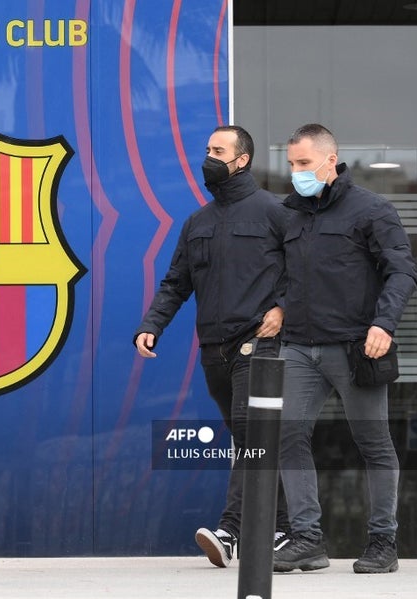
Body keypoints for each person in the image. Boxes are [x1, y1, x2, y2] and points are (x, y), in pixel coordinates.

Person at [134, 125, 290, 568]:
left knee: (250, 436)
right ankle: (283, 527)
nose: (209, 157)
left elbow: (304, 270)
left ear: (242, 160)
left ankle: (231, 530)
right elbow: (175, 283)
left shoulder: (275, 212)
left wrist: (283, 308)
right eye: (207, 149)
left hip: (257, 344)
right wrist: (152, 325)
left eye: (218, 151)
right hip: (213, 351)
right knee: (250, 440)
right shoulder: (197, 223)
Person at [273, 124, 417, 574]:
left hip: (357, 349)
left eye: (303, 163)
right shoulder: (290, 215)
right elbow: (283, 277)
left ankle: (383, 543)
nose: (295, 172)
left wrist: (384, 324)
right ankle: (307, 539)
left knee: (373, 444)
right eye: (291, 164)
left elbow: (402, 272)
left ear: (330, 160)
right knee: (286, 437)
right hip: (299, 347)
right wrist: (277, 307)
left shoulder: (372, 209)